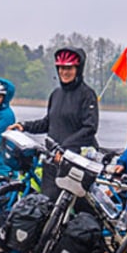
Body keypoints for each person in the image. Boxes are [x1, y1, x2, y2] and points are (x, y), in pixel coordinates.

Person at [10, 47, 99, 199]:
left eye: (69, 68)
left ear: (78, 69)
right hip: (53, 158)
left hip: (75, 161)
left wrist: (65, 148)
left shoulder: (87, 95)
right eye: (61, 68)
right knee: (47, 203)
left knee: (75, 208)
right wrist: (24, 126)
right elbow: (48, 123)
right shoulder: (56, 94)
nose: (64, 72)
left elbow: (90, 128)